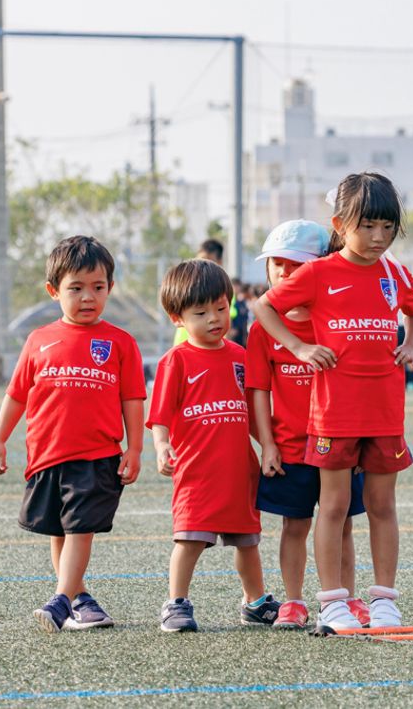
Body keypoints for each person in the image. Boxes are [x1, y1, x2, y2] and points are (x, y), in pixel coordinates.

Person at [253, 172, 413, 633]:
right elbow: (264, 307)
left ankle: (384, 601)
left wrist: (412, 343)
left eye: (387, 227)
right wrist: (299, 347)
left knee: (382, 506)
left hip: (385, 413)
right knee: (332, 508)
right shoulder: (318, 273)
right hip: (333, 416)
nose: (378, 237)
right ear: (340, 225)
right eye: (367, 226)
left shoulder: (395, 273)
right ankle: (332, 603)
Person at [0, 236, 146, 633]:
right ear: (53, 291)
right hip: (46, 456)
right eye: (76, 288)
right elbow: (16, 394)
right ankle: (80, 600)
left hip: (97, 457)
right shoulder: (38, 340)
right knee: (59, 531)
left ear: (110, 287)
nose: (88, 297)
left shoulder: (120, 342)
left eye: (98, 287)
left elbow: (132, 399)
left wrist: (135, 449)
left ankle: (60, 600)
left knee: (79, 529)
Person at [245, 219, 370, 630]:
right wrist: (268, 445)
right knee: (294, 526)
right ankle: (294, 601)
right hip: (291, 449)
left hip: (338, 445)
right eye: (277, 264)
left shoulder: (336, 320)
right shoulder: (263, 329)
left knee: (343, 526)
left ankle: (346, 598)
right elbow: (259, 391)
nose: (285, 273)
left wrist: (358, 442)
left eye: (296, 265)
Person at [149, 259, 281, 632]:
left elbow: (253, 413)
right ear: (177, 318)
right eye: (201, 313)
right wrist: (162, 446)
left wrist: (269, 447)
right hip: (197, 473)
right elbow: (159, 416)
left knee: (248, 542)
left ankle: (255, 601)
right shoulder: (176, 361)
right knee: (189, 541)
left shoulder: (241, 357)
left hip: (239, 472)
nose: (214, 319)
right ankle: (176, 603)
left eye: (221, 308)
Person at [172, 238, 234, 346]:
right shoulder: (186, 286)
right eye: (200, 313)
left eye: (208, 261)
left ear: (219, 262)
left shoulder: (224, 288)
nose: (203, 265)